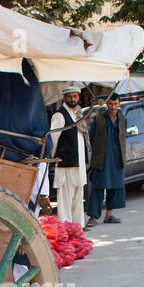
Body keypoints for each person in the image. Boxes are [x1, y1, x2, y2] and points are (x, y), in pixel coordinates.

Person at [48, 85, 88, 226]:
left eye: (75, 96)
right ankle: (66, 226)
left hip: (79, 163)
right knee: (65, 197)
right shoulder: (59, 115)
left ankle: (78, 226)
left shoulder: (78, 113)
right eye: (70, 96)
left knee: (78, 196)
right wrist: (53, 160)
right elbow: (53, 139)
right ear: (64, 98)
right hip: (65, 164)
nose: (73, 99)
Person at [86, 92, 128, 225]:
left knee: (115, 186)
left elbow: (123, 136)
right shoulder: (99, 118)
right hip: (102, 157)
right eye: (110, 103)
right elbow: (92, 137)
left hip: (117, 157)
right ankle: (93, 217)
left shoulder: (123, 118)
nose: (113, 106)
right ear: (107, 104)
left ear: (119, 104)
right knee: (98, 186)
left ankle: (109, 215)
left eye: (115, 104)